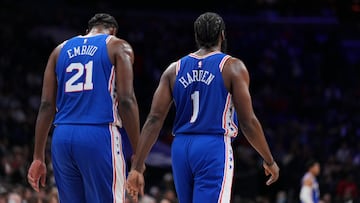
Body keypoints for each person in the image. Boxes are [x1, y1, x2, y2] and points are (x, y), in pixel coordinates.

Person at [126, 12, 280, 203]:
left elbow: (154, 120)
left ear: (196, 37)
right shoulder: (232, 67)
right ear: (222, 35)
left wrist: (137, 167)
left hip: (181, 147)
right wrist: (269, 160)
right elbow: (248, 122)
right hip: (212, 146)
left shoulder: (174, 69)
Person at [27, 13, 140, 203]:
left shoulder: (59, 50)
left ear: (88, 30)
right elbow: (127, 100)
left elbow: (46, 105)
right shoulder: (117, 45)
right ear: (112, 31)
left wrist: (38, 157)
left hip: (62, 137)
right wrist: (139, 153)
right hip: (98, 133)